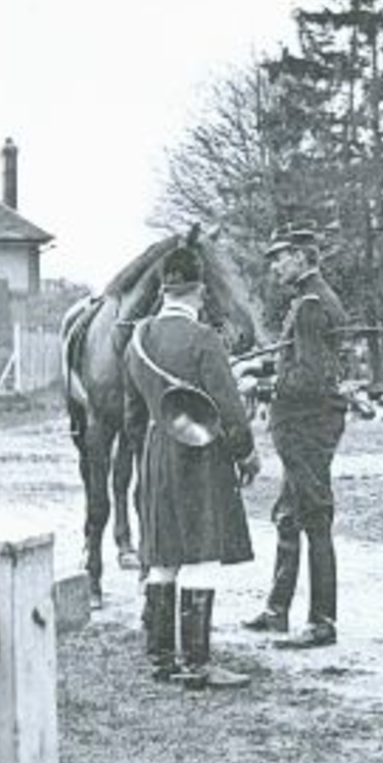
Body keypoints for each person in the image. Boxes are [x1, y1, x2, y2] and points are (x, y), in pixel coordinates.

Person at [124, 244, 262, 687]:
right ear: (200, 290)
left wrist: (146, 450)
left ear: (165, 290)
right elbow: (229, 406)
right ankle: (197, 663)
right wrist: (245, 452)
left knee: (164, 553)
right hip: (199, 454)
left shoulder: (138, 338)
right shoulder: (204, 340)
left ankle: (162, 657)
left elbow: (131, 412)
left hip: (154, 449)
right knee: (201, 552)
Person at [241, 224, 349, 650]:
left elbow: (311, 377)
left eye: (281, 256)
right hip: (305, 423)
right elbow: (299, 362)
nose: (274, 265)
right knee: (289, 516)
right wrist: (260, 369)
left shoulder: (310, 305)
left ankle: (323, 621)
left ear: (303, 257)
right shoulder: (312, 300)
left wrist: (263, 388)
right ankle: (277, 610)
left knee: (314, 517)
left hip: (306, 425)